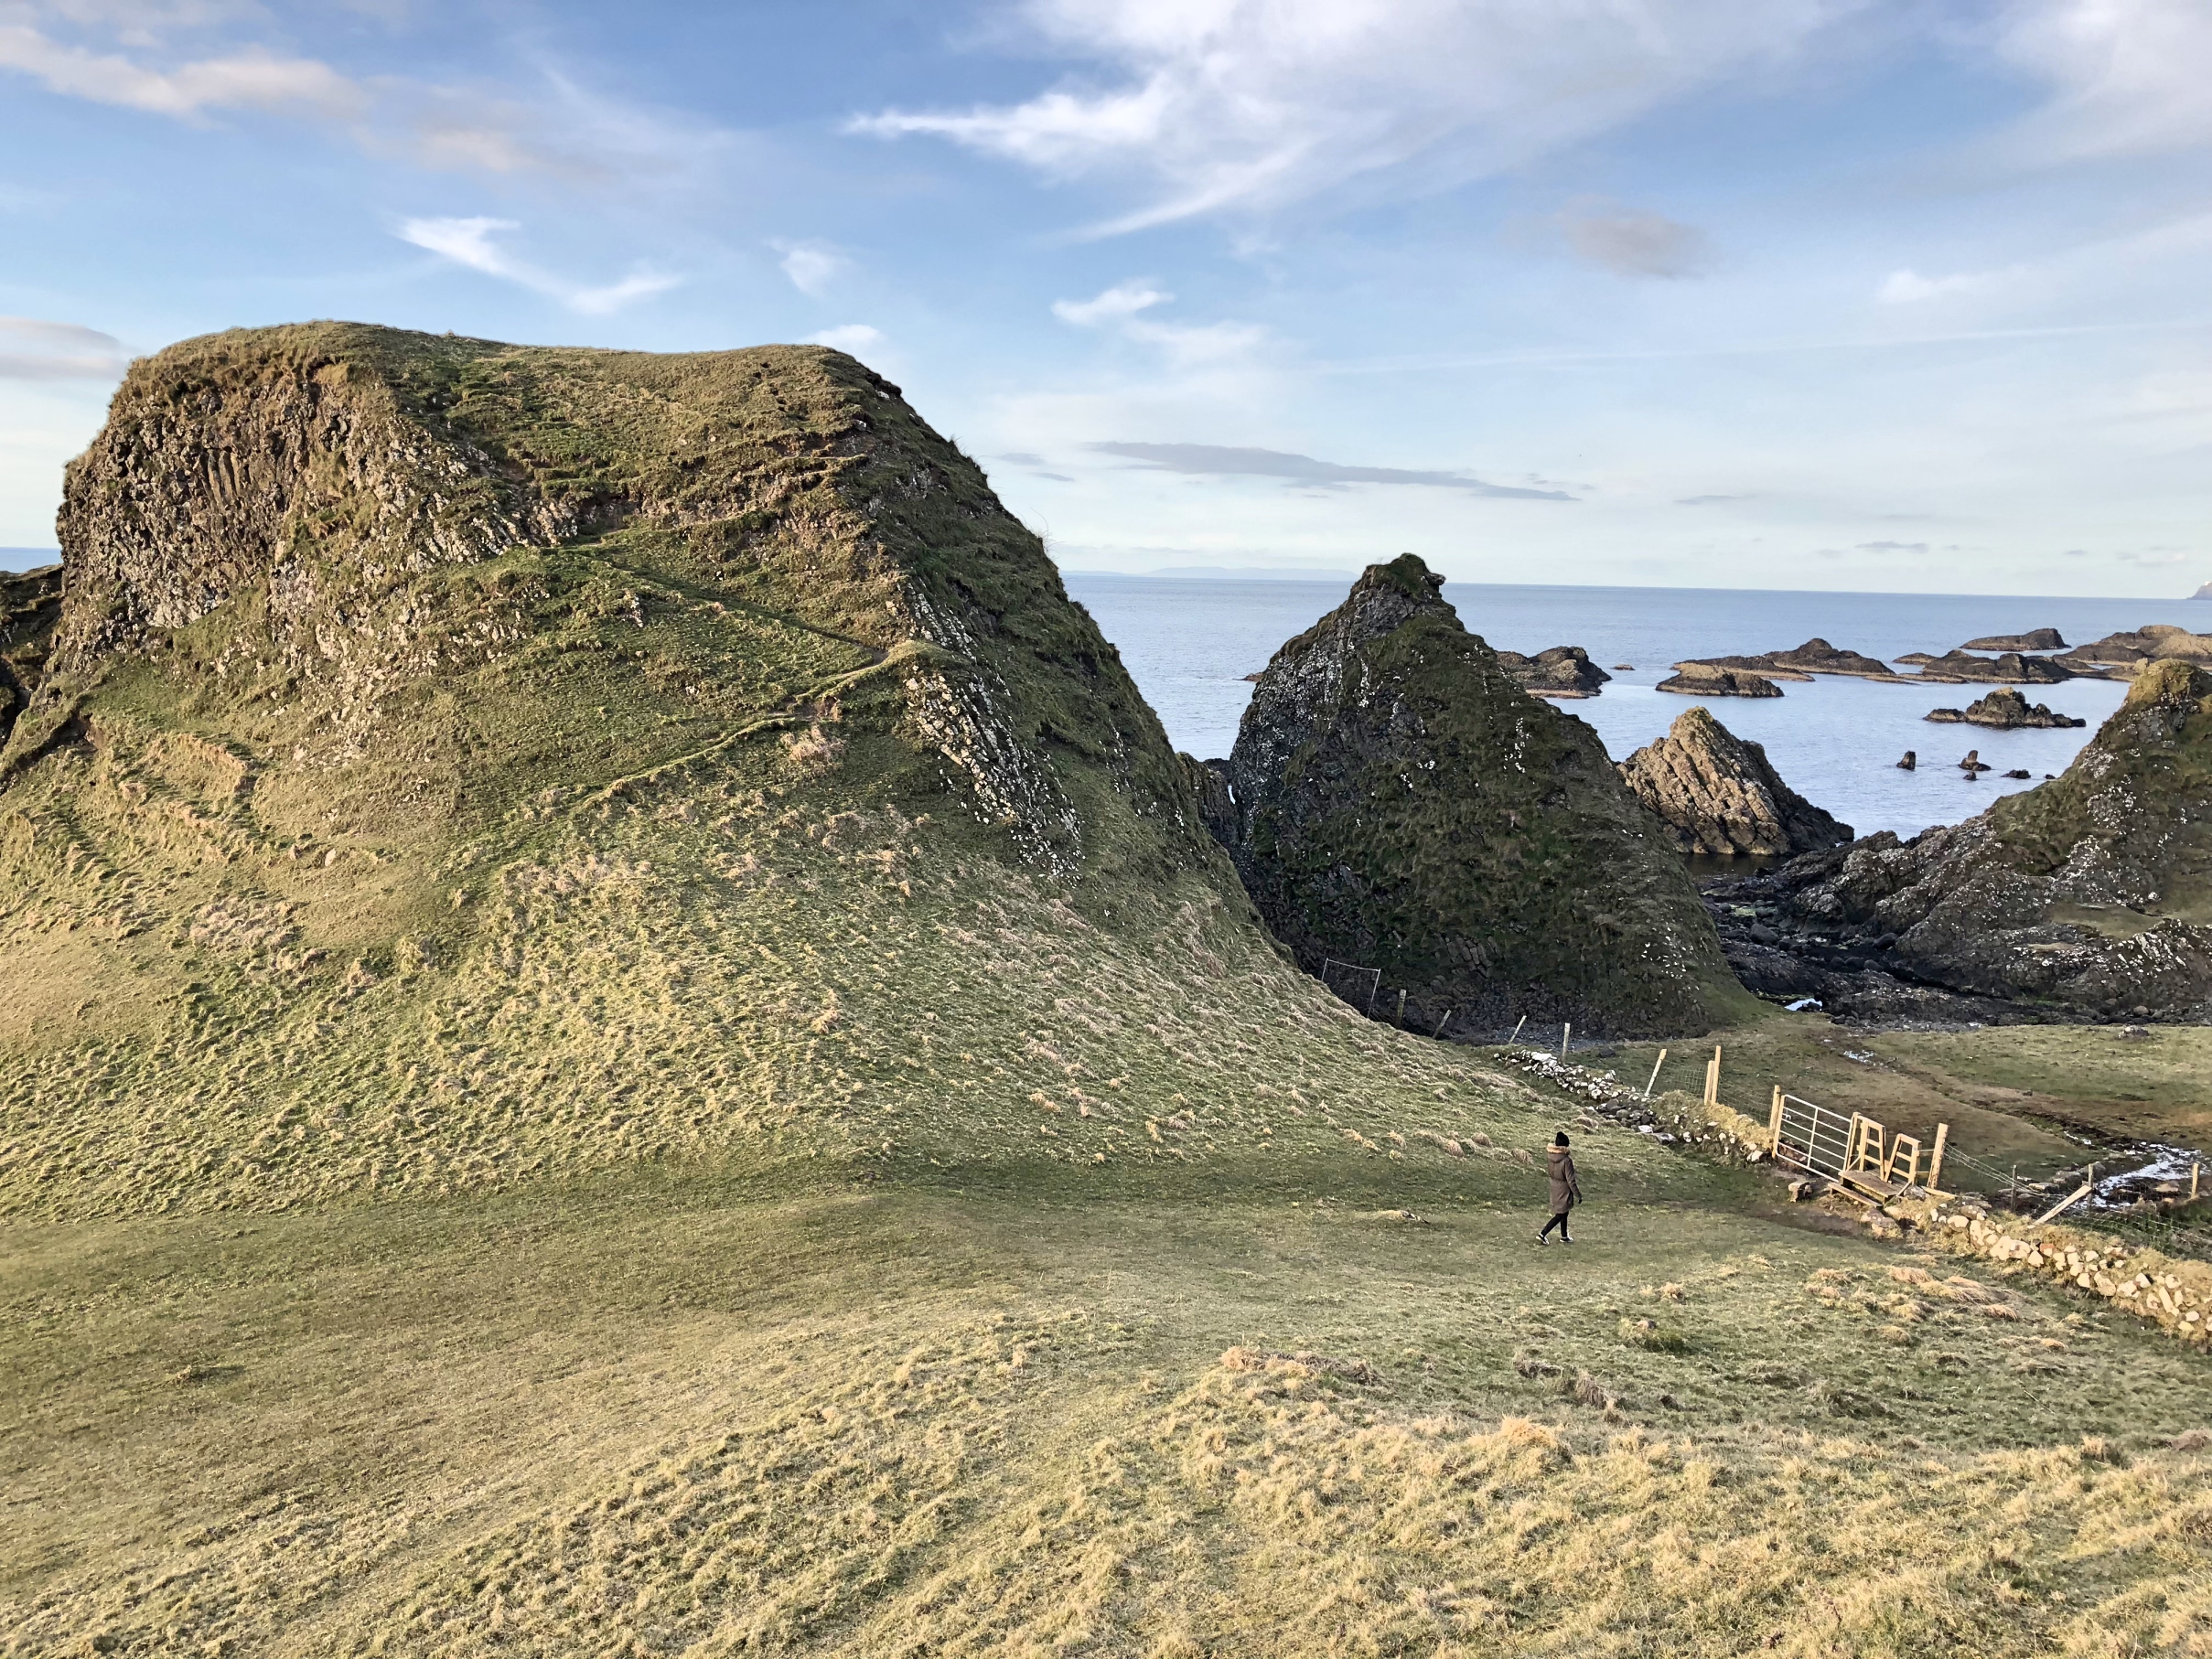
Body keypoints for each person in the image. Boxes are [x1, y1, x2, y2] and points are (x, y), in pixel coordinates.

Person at [1538, 1130, 1581, 1245]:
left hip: (1554, 1187)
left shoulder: (1551, 1157)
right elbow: (1571, 1180)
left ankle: (1564, 1236)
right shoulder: (1567, 1161)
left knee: (1564, 1212)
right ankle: (1543, 1234)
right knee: (1560, 1214)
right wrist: (1578, 1194)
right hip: (1564, 1190)